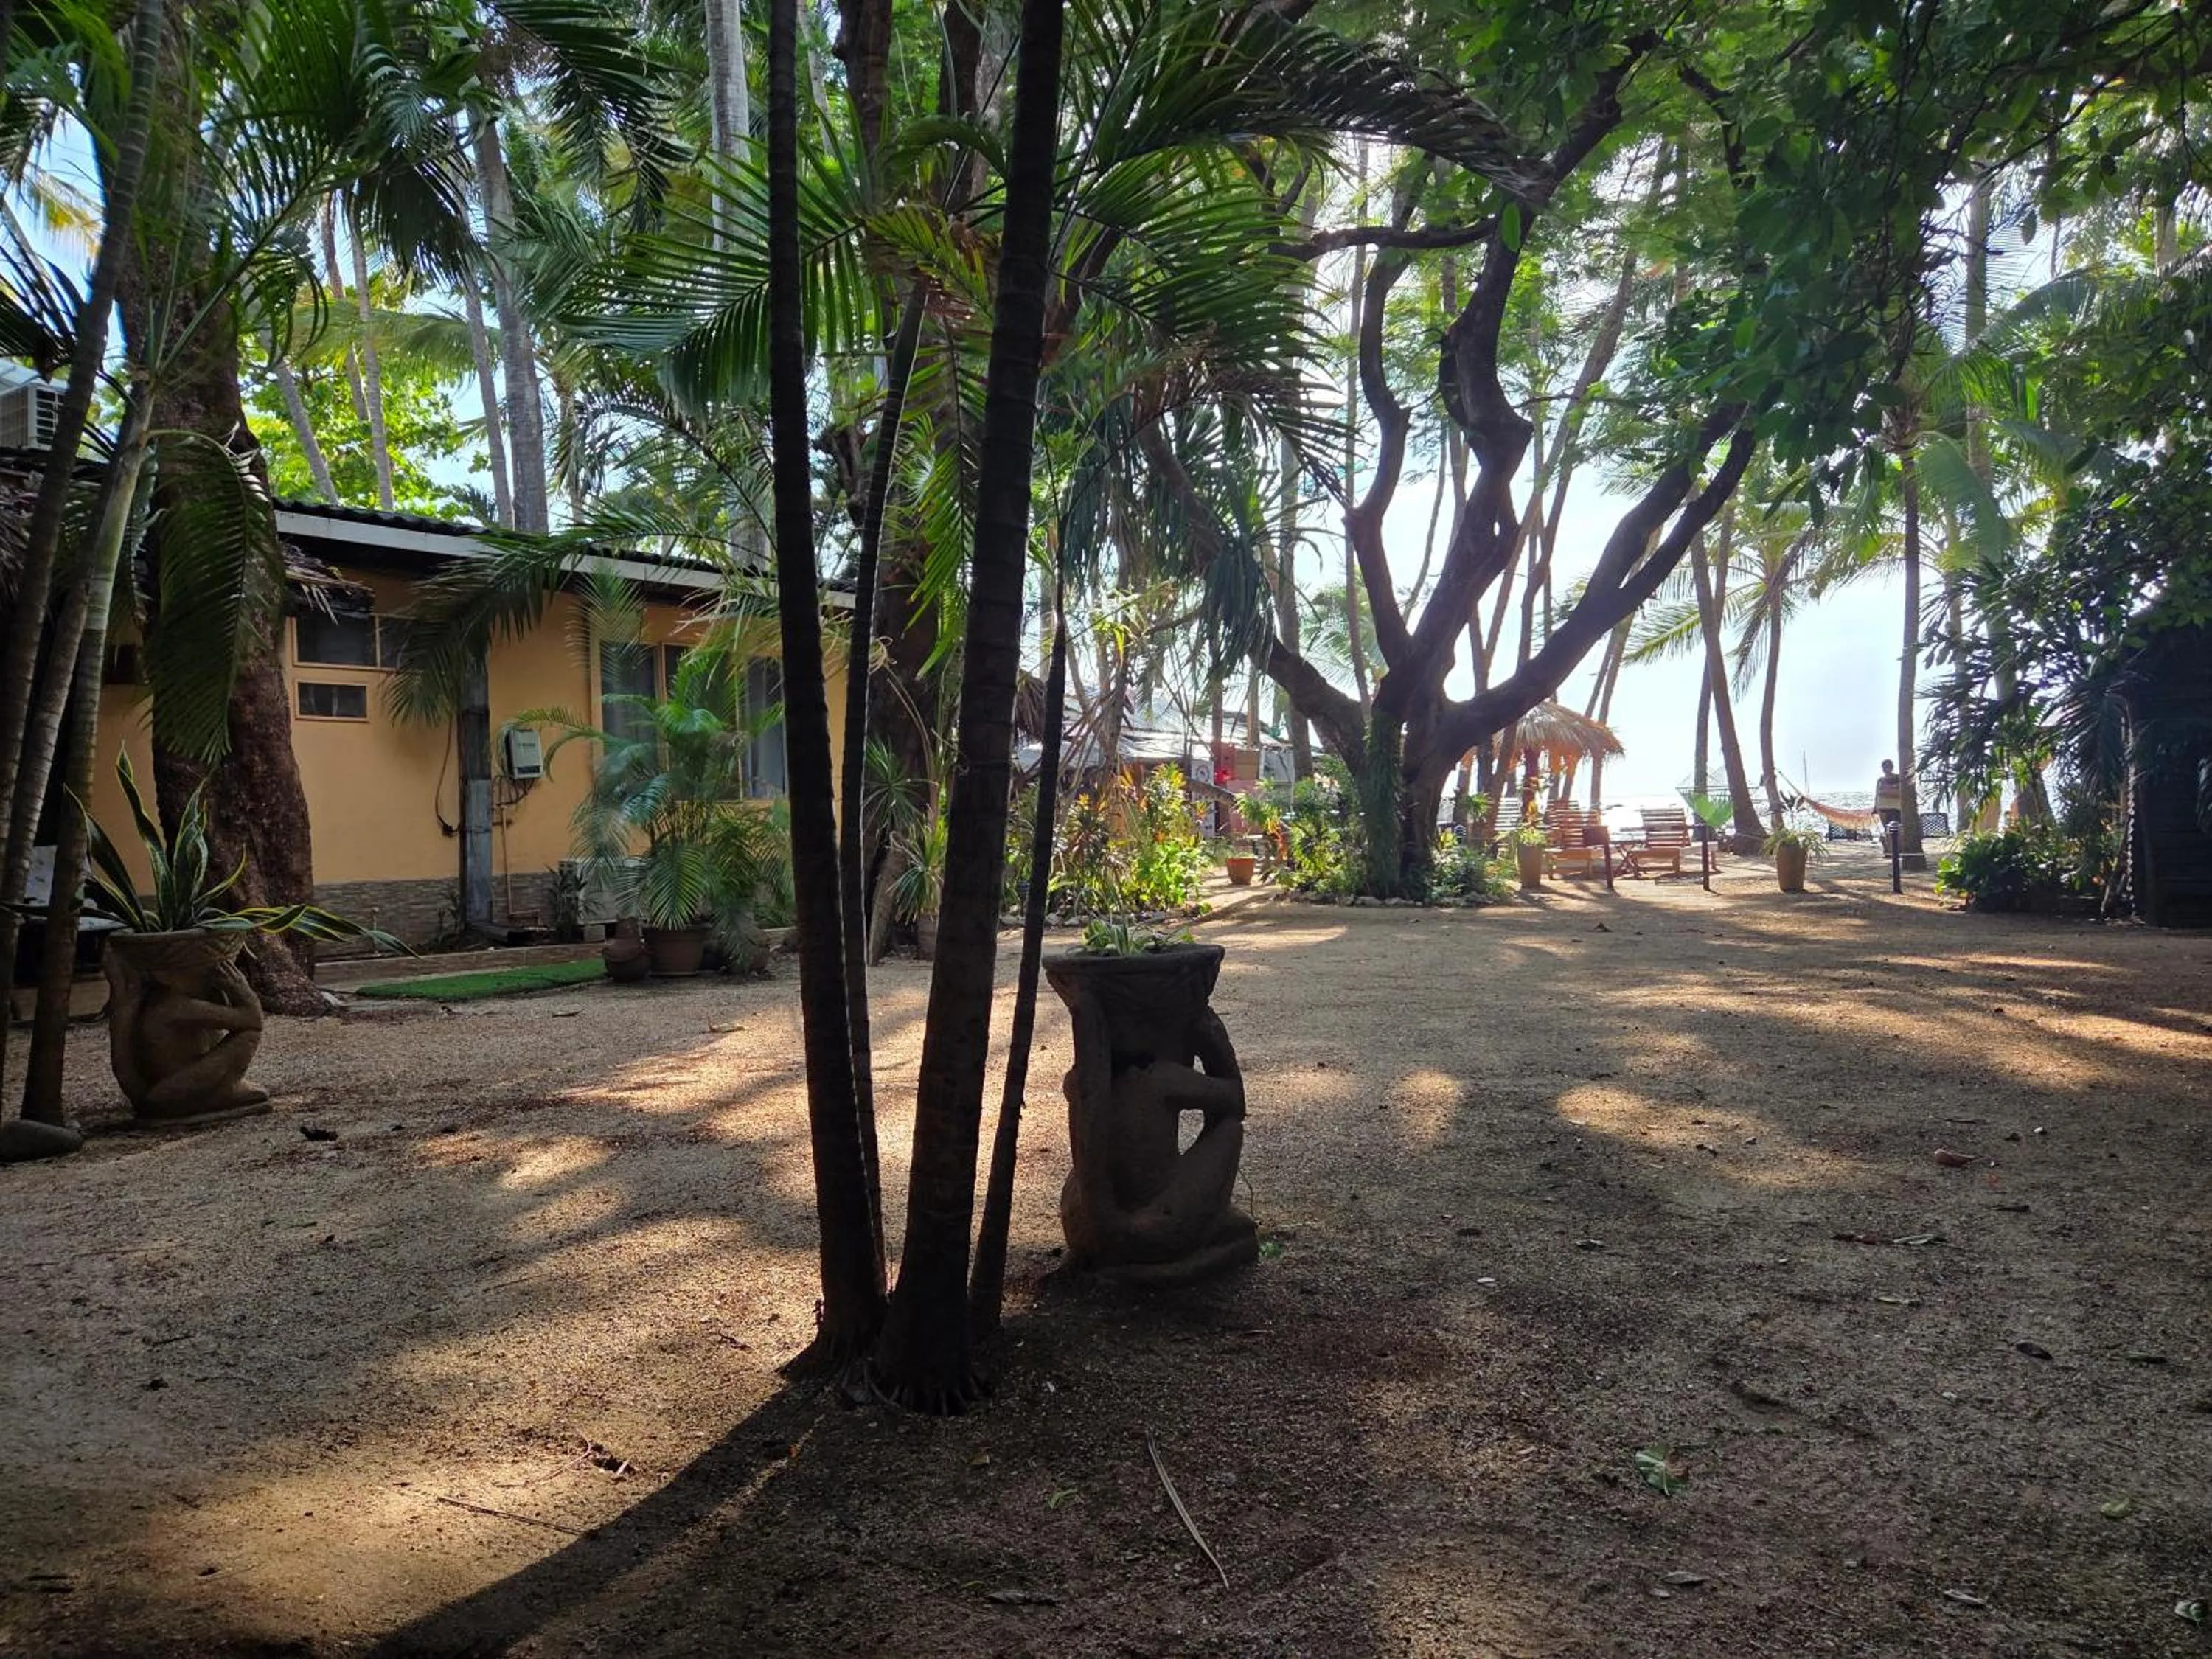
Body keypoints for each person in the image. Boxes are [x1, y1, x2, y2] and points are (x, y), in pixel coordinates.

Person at [1873, 759, 1903, 849]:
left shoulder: (1898, 778)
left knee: (1897, 829)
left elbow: (1901, 792)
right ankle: (1889, 850)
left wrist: (1887, 792)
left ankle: (1897, 849)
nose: (1886, 769)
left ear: (1892, 767)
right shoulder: (1880, 780)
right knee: (1887, 829)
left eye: (1888, 767)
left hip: (1896, 807)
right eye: (1884, 767)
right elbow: (1877, 794)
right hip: (1882, 807)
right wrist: (1875, 807)